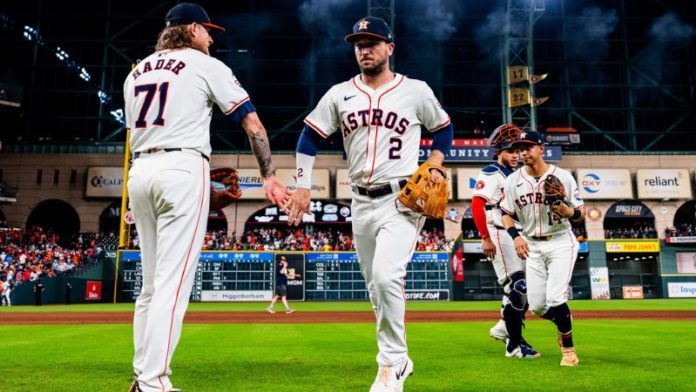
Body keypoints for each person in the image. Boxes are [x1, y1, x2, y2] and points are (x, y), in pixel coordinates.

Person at [123, 3, 289, 391]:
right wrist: (267, 175)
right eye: (208, 31)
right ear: (192, 29)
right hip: (181, 167)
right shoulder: (205, 65)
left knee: (150, 286)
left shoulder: (136, 72)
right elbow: (252, 123)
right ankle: (153, 383)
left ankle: (141, 374)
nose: (211, 38)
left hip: (140, 171)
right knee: (173, 284)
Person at [284, 16, 453, 392]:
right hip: (359, 201)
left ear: (390, 48)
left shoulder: (415, 90)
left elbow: (443, 128)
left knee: (386, 275)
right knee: (374, 287)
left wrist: (436, 162)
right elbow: (308, 138)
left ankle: (390, 364)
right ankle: (399, 357)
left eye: (372, 42)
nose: (364, 49)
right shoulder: (339, 94)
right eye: (359, 43)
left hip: (401, 200)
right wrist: (302, 185)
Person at [500, 131, 586, 367]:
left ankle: (568, 350)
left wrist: (569, 212)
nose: (523, 152)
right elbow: (506, 213)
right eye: (520, 148)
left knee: (556, 297)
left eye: (528, 147)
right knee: (537, 305)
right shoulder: (512, 181)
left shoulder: (563, 177)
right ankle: (563, 320)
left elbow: (581, 213)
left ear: (541, 149)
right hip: (532, 245)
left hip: (560, 241)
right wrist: (515, 236)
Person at [471, 124, 539, 359]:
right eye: (510, 151)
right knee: (518, 286)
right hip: (498, 230)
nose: (515, 156)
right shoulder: (492, 171)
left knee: (528, 289)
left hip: (516, 233)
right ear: (499, 152)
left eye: (517, 152)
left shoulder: (517, 175)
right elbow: (477, 204)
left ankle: (503, 327)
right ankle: (514, 344)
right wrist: (484, 237)